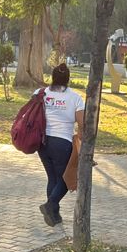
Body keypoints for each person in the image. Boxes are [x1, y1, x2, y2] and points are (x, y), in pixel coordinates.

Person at [37, 63, 84, 226]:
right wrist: (82, 142)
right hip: (62, 143)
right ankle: (50, 205)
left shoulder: (40, 93)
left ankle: (54, 215)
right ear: (68, 79)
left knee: (53, 177)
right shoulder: (75, 98)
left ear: (53, 77)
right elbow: (81, 123)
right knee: (66, 179)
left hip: (42, 142)